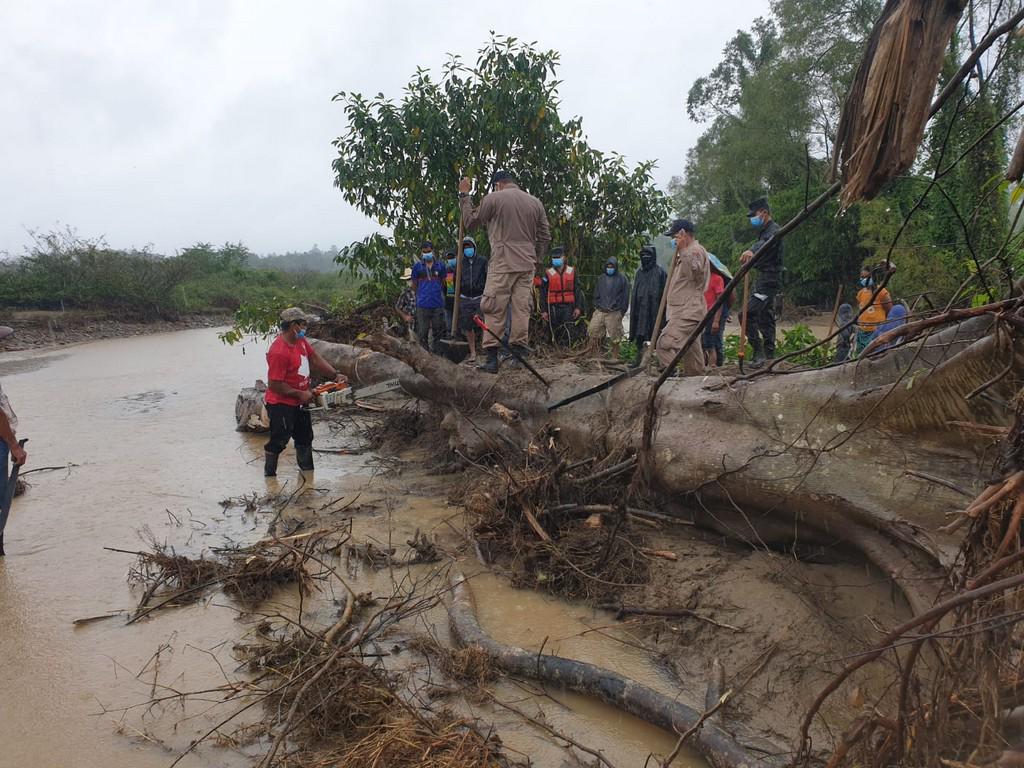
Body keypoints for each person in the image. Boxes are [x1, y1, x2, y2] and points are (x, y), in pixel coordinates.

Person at [458, 170, 551, 373]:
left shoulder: (494, 198)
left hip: (502, 262)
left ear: (497, 184)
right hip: (527, 264)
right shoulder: (535, 202)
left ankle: (492, 359)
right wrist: (537, 259)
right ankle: (518, 355)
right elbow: (545, 236)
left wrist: (465, 196)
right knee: (521, 309)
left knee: (493, 307)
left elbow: (470, 222)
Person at [264, 307, 347, 477]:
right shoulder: (279, 351)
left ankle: (308, 476)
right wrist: (300, 394)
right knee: (279, 442)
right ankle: (270, 477)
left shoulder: (300, 342)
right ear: (294, 325)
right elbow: (274, 384)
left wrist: (335, 374)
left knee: (305, 438)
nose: (304, 327)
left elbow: (315, 358)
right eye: (302, 324)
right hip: (281, 405)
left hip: (300, 403)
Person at [656, 219, 710, 375]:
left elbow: (694, 273)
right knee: (692, 355)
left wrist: (683, 251)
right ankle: (695, 383)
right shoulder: (684, 253)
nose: (673, 240)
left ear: (683, 234)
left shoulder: (694, 251)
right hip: (684, 310)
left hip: (687, 312)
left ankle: (669, 376)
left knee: (664, 344)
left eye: (675, 236)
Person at [739, 197, 784, 368]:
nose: (753, 219)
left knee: (745, 314)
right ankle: (769, 354)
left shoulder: (774, 230)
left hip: (769, 279)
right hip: (763, 278)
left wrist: (752, 251)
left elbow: (765, 243)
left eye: (755, 215)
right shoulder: (764, 231)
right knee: (766, 316)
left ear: (764, 213)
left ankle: (759, 352)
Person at [629, 245, 667, 361]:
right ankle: (638, 360)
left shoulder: (660, 272)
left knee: (657, 335)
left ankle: (660, 361)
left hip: (655, 310)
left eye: (648, 255)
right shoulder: (639, 273)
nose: (645, 257)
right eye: (643, 255)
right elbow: (635, 293)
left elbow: (665, 294)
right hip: (640, 310)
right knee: (640, 334)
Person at [587, 257, 630, 358]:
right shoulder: (601, 278)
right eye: (608, 267)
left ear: (616, 267)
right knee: (593, 332)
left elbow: (625, 297)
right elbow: (596, 294)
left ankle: (614, 358)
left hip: (614, 312)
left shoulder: (622, 279)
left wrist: (621, 312)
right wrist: (597, 305)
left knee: (615, 337)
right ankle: (594, 356)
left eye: (612, 267)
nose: (609, 269)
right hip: (600, 311)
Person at [540, 246, 582, 346]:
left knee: (568, 329)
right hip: (553, 307)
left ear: (564, 257)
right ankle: (554, 351)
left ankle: (567, 351)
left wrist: (578, 308)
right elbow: (543, 293)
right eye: (554, 258)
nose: (556, 259)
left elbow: (578, 291)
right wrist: (544, 310)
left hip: (568, 306)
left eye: (558, 257)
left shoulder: (572, 272)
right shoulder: (548, 273)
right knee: (554, 330)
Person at [410, 241, 448, 354]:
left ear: (433, 251)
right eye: (424, 252)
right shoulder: (417, 267)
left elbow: (443, 282)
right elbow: (414, 285)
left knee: (438, 331)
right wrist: (421, 294)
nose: (427, 254)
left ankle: (438, 356)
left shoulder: (440, 266)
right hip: (423, 304)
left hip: (437, 304)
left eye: (429, 251)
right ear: (421, 253)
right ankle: (424, 355)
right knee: (423, 332)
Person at [458, 236, 488, 364]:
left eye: (469, 247)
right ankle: (473, 353)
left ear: (474, 247)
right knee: (468, 326)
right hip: (465, 298)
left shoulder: (482, 261)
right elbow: (455, 280)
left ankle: (487, 350)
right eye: (465, 247)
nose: (467, 249)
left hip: (479, 296)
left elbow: (487, 277)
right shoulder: (461, 262)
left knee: (483, 324)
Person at [701, 254, 733, 367]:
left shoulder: (717, 279)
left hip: (715, 314)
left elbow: (720, 301)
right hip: (705, 314)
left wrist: (716, 321)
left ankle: (716, 366)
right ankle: (707, 365)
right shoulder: (702, 280)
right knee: (704, 342)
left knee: (713, 341)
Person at [855, 265, 893, 353]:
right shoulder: (861, 293)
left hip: (876, 330)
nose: (864, 279)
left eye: (867, 277)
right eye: (862, 277)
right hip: (862, 331)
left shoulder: (881, 292)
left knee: (875, 354)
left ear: (873, 277)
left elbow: (889, 310)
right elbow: (860, 310)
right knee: (861, 355)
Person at [394, 267, 416, 340]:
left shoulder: (423, 291)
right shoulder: (405, 293)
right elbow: (397, 307)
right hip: (412, 324)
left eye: (410, 279)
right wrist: (405, 317)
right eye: (407, 280)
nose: (409, 281)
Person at [443, 248, 458, 333]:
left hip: (459, 302)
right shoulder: (446, 271)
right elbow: (449, 288)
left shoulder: (460, 269)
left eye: (452, 257)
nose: (450, 259)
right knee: (449, 326)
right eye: (449, 258)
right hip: (449, 302)